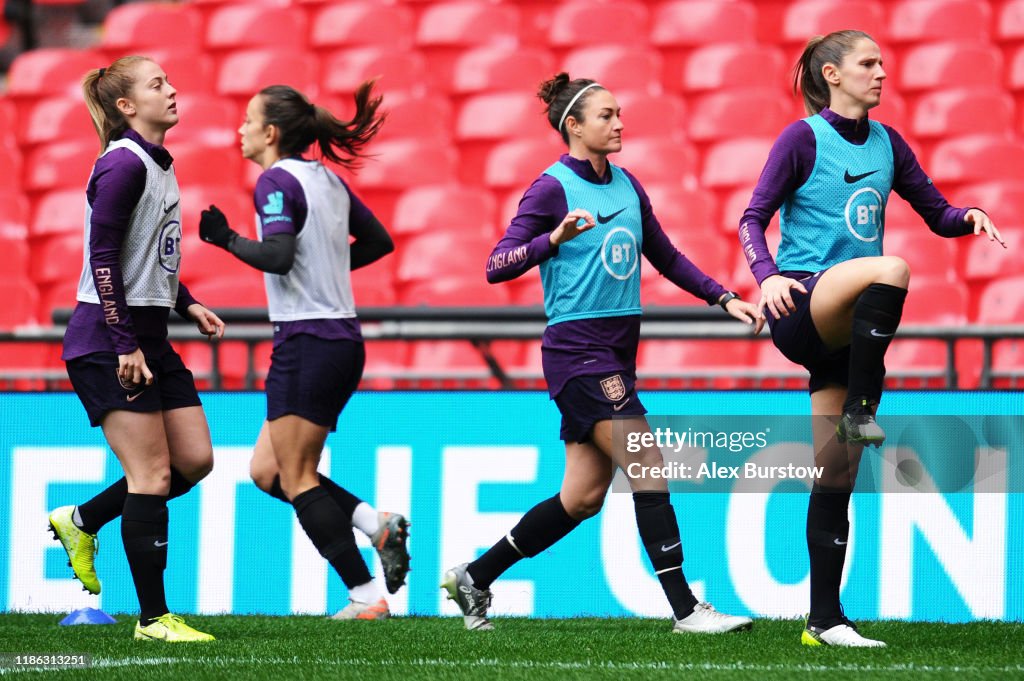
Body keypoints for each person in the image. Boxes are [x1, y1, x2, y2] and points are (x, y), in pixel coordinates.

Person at [441, 73, 764, 633]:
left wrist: (724, 297)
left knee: (582, 498)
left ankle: (475, 576)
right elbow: (496, 265)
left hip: (615, 351)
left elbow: (664, 254)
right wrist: (552, 241)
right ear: (574, 126)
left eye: (619, 114)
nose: (619, 124)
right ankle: (686, 609)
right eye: (607, 115)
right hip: (578, 351)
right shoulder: (550, 189)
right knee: (648, 465)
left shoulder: (628, 185)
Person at [739, 30, 1004, 647]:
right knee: (892, 269)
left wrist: (968, 216)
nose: (881, 72)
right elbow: (752, 216)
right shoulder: (802, 138)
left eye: (882, 62)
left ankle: (824, 620)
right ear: (832, 75)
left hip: (844, 339)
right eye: (868, 63)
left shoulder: (888, 142)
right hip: (804, 303)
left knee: (836, 474)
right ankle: (863, 409)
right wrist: (766, 274)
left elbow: (934, 213)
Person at [197, 81, 409, 620]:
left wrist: (223, 238)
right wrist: (330, 270)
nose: (240, 130)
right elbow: (380, 241)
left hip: (307, 339)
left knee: (295, 476)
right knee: (268, 472)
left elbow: (278, 256)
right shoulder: (328, 180)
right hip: (340, 338)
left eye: (248, 120)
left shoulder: (276, 180)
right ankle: (373, 524)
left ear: (270, 133)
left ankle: (364, 598)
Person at [50, 56, 225, 643]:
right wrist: (125, 343)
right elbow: (102, 260)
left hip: (150, 334)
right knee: (150, 474)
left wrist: (186, 301)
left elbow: (147, 254)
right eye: (158, 85)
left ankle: (83, 520)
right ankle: (154, 619)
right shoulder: (123, 166)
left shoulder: (157, 162)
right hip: (109, 340)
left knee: (194, 460)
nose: (172, 90)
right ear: (127, 106)